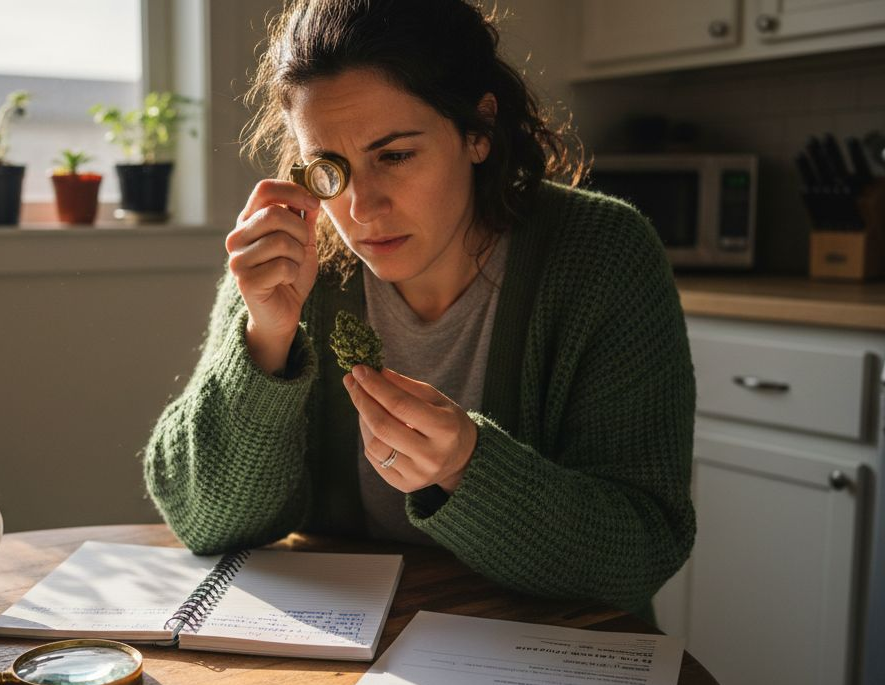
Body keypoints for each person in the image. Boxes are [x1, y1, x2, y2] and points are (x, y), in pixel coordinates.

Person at [143, 0, 695, 616]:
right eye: (330, 168)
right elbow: (205, 523)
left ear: (478, 130)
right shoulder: (294, 263)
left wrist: (468, 466)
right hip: (344, 651)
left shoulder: (602, 255)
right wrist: (267, 338)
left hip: (549, 655)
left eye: (396, 156)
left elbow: (644, 548)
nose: (361, 208)